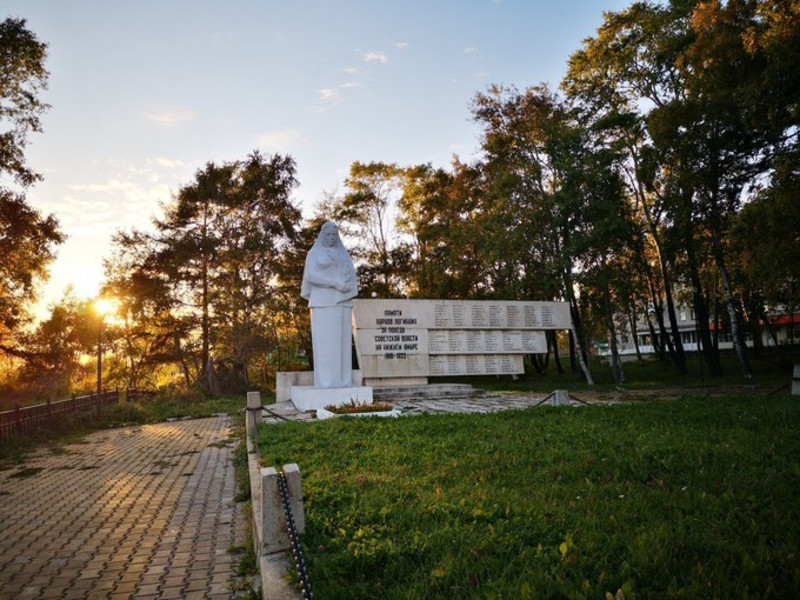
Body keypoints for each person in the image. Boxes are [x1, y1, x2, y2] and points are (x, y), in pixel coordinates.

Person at [301, 221, 358, 388]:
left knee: (342, 344)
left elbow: (349, 274)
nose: (332, 238)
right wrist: (335, 283)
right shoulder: (314, 253)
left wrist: (346, 287)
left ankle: (342, 382)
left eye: (334, 235)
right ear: (322, 235)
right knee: (326, 345)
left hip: (341, 302)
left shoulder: (342, 254)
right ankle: (326, 383)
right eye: (328, 235)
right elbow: (311, 275)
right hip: (322, 302)